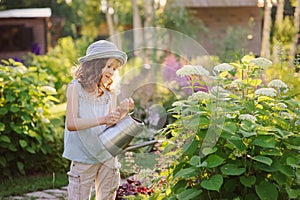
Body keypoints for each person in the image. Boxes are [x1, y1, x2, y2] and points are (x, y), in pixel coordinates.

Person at [62, 40, 134, 200]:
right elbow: (72, 123)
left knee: (107, 195)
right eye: (108, 66)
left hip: (106, 155)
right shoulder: (75, 88)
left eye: (115, 68)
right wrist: (103, 119)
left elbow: (110, 123)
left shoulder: (109, 92)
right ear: (95, 65)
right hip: (83, 156)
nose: (112, 71)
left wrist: (122, 111)